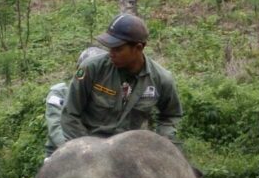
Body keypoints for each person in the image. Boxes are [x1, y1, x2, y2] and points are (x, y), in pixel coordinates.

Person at [59, 14, 183, 149]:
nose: (111, 53)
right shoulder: (92, 68)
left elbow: (170, 116)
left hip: (130, 149)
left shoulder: (161, 79)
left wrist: (162, 143)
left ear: (138, 48)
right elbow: (70, 114)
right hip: (90, 145)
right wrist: (87, 147)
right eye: (109, 47)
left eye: (117, 48)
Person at [44, 47, 107, 158]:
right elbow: (56, 129)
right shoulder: (59, 93)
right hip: (62, 154)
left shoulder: (106, 97)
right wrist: (83, 151)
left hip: (98, 152)